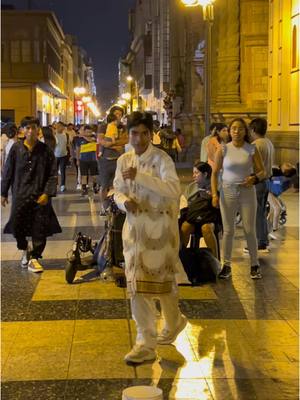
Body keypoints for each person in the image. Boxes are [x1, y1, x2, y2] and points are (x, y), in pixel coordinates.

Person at [114, 111, 187, 364]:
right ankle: (145, 343)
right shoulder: (123, 160)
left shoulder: (162, 158)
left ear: (150, 134)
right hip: (135, 232)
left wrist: (141, 178)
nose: (140, 138)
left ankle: (174, 321)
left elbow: (173, 189)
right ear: (128, 133)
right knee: (137, 286)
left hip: (161, 231)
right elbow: (117, 191)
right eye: (135, 133)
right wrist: (124, 203)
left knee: (163, 284)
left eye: (145, 133)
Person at [1, 116, 61, 273]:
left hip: (40, 196)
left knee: (39, 228)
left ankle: (35, 257)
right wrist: (3, 193)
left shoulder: (45, 150)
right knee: (17, 225)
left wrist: (47, 193)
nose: (30, 131)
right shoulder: (16, 148)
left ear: (38, 130)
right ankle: (24, 248)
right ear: (22, 130)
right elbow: (8, 171)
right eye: (27, 128)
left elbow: (53, 174)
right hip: (20, 194)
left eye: (33, 127)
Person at [211, 118, 266, 280]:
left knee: (249, 229)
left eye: (240, 129)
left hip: (247, 192)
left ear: (245, 131)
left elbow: (262, 171)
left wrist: (254, 178)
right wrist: (214, 194)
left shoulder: (251, 149)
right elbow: (214, 173)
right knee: (228, 230)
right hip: (228, 191)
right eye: (233, 128)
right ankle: (226, 265)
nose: (236, 131)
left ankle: (254, 265)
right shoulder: (223, 149)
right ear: (229, 131)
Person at [180, 161, 221, 258]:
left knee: (206, 228)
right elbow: (184, 203)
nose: (193, 176)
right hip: (193, 217)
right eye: (193, 173)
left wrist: (213, 197)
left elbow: (219, 207)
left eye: (196, 173)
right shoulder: (191, 187)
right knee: (185, 227)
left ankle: (214, 261)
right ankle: (181, 258)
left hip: (209, 218)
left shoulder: (214, 187)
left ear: (205, 174)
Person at [247, 118, 274, 253]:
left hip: (257, 181)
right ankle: (263, 239)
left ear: (253, 130)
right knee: (262, 212)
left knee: (256, 213)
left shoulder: (255, 145)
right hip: (267, 181)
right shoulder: (268, 143)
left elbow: (251, 165)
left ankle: (259, 242)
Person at [98, 105, 128, 214]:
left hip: (119, 160)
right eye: (116, 114)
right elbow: (101, 141)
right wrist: (114, 144)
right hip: (105, 160)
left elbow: (125, 140)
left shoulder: (123, 127)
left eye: (120, 114)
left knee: (117, 184)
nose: (118, 116)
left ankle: (115, 205)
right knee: (104, 185)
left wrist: (110, 144)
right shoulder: (104, 126)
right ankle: (104, 207)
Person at [76, 125, 99, 196]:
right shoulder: (79, 140)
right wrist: (77, 160)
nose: (89, 133)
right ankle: (84, 189)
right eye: (87, 132)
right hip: (83, 160)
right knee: (84, 175)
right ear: (84, 132)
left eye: (90, 132)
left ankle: (95, 187)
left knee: (94, 176)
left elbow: (98, 148)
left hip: (93, 160)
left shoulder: (95, 139)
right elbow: (77, 150)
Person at [54, 121, 69, 192]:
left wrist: (70, 154)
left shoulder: (66, 135)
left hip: (64, 155)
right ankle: (54, 185)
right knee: (54, 171)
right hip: (55, 155)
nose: (61, 128)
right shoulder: (54, 134)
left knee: (63, 171)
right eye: (59, 126)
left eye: (62, 126)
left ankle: (63, 185)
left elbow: (67, 144)